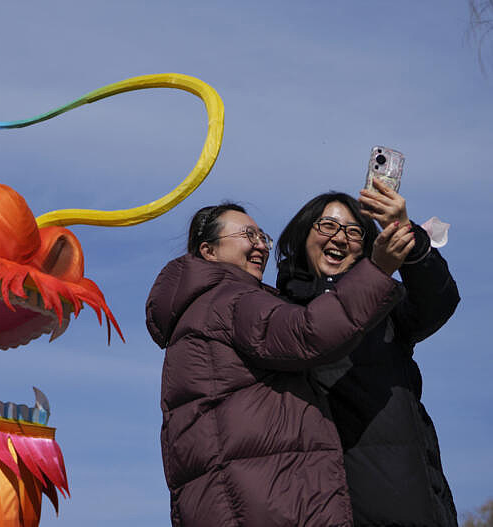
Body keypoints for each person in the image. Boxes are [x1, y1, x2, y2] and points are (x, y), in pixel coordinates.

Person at [146, 203, 414, 526]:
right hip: (272, 508)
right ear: (209, 251)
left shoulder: (191, 318)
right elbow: (309, 333)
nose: (260, 244)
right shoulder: (231, 299)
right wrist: (377, 271)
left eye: (262, 236)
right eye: (248, 235)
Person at [276, 179, 460, 526]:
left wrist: (406, 235)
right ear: (302, 237)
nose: (340, 237)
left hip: (407, 503)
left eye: (353, 232)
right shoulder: (277, 315)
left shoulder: (385, 308)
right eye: (328, 225)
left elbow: (439, 302)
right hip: (318, 506)